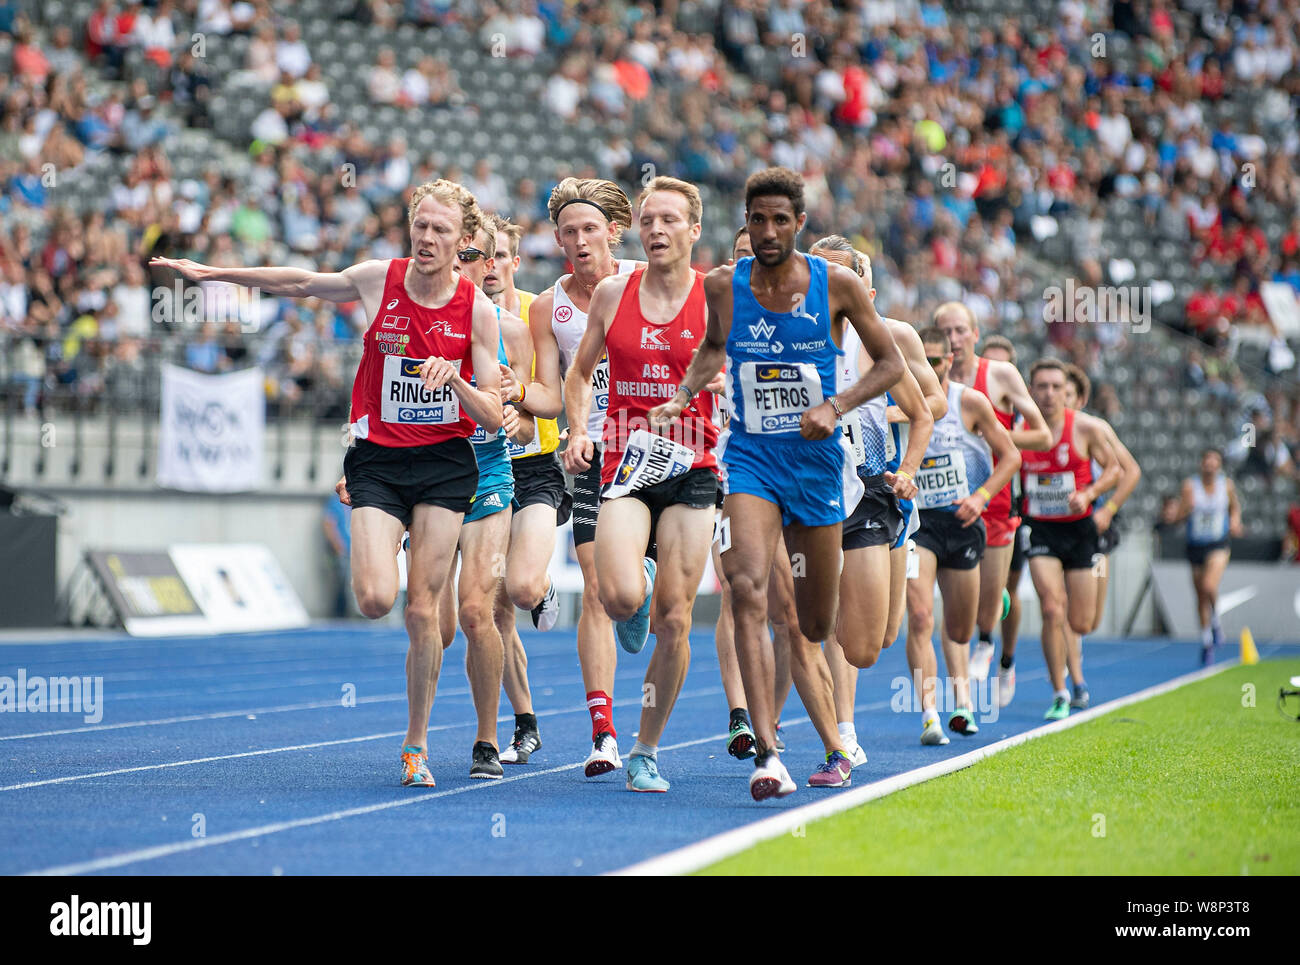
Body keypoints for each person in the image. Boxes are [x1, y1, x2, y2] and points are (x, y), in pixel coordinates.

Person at [152, 179, 504, 787]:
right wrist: (213, 274)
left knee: (423, 612)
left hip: (447, 463)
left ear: (463, 241)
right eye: (420, 224)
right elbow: (300, 283)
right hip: (378, 459)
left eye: (440, 230)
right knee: (374, 599)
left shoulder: (475, 310)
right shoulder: (380, 280)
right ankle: (408, 547)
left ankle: (415, 743)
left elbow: (496, 416)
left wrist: (457, 382)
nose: (426, 237)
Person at [655, 167, 906, 800]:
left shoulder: (837, 285)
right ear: (745, 221)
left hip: (818, 465)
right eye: (756, 219)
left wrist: (837, 406)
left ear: (799, 223)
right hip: (752, 459)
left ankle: (830, 740)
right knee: (746, 588)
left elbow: (892, 364)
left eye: (779, 220)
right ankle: (769, 754)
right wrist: (681, 394)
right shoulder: (724, 286)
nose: (767, 231)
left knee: (814, 624)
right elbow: (714, 348)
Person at [565, 176, 719, 792]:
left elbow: (745, 364)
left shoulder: (718, 296)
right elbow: (578, 376)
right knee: (621, 598)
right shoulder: (611, 294)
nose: (656, 230)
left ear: (693, 230)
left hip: (694, 465)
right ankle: (643, 578)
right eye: (649, 220)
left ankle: (645, 749)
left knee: (675, 623)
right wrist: (578, 429)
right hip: (625, 466)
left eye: (670, 220)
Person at [513, 178, 641, 778]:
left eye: (590, 229)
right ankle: (603, 732)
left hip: (669, 451)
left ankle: (639, 583)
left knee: (650, 604)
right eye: (568, 231)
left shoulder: (650, 282)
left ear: (613, 232)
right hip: (593, 456)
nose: (579, 240)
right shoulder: (548, 307)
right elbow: (546, 389)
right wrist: (511, 396)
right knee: (595, 589)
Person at [808, 236, 943, 766]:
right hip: (823, 491)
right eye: (822, 274)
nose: (832, 285)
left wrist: (886, 417)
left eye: (843, 275)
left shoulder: (893, 335)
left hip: (881, 487)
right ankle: (843, 732)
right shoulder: (797, 334)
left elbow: (930, 401)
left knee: (878, 639)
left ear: (866, 286)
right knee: (832, 618)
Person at [435, 220, 537, 779]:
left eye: (484, 257)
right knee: (436, 623)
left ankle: (488, 740)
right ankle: (418, 745)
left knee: (483, 612)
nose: (478, 266)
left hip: (492, 477)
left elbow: (521, 430)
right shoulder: (418, 317)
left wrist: (512, 415)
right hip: (426, 478)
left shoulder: (512, 331)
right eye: (469, 254)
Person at [905, 327, 1019, 743]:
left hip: (964, 522)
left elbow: (1011, 456)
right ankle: (931, 716)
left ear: (949, 361)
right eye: (923, 361)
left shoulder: (969, 402)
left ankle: (963, 700)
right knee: (919, 616)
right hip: (919, 524)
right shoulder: (899, 400)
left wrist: (982, 497)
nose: (930, 369)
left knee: (959, 628)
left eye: (937, 361)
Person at [934, 303, 1052, 703]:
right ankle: (960, 695)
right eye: (945, 330)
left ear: (975, 333)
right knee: (951, 606)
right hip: (943, 502)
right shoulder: (930, 375)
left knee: (989, 603)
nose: (953, 338)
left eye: (960, 330)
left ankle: (992, 642)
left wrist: (986, 435)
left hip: (996, 501)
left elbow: (1042, 435)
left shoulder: (999, 374)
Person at [485, 213, 564, 763]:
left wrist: (527, 420)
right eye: (477, 256)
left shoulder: (539, 314)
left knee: (520, 587)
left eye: (498, 256)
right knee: (491, 611)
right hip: (480, 471)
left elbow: (554, 394)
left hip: (535, 466)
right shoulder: (454, 314)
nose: (487, 267)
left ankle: (542, 589)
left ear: (516, 260)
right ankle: (524, 722)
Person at [1020, 358, 1120, 720]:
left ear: (1067, 392)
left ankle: (1074, 676)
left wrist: (1090, 494)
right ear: (1030, 391)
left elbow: (1115, 469)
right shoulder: (1020, 427)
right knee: (1051, 606)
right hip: (1040, 527)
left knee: (1081, 623)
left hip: (1079, 530)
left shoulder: (1085, 428)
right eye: (1041, 387)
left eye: (1055, 387)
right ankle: (1060, 689)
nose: (1048, 394)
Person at [1060, 362, 1141, 708]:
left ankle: (1072, 667)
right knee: (1058, 605)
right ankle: (1073, 682)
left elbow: (1130, 471)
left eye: (1067, 394)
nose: (1058, 400)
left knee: (1088, 618)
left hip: (1094, 532)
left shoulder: (1096, 429)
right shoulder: (1040, 430)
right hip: (1054, 531)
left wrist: (1107, 508)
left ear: (1081, 399)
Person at [978, 336, 1025, 707]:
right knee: (976, 588)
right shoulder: (969, 391)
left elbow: (1040, 438)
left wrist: (997, 434)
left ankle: (1006, 660)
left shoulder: (1018, 404)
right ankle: (983, 641)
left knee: (1010, 586)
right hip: (971, 499)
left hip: (1011, 506)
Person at [1173, 448, 1242, 664]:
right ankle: (1206, 639)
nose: (1210, 465)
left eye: (1215, 461)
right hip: (1196, 545)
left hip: (1218, 543)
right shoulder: (1189, 486)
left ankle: (1216, 622)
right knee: (1200, 594)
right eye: (1207, 460)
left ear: (1219, 465)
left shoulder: (1226, 485)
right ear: (1201, 464)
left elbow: (1235, 507)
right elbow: (1178, 517)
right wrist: (1187, 510)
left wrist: (1235, 521)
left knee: (1209, 586)